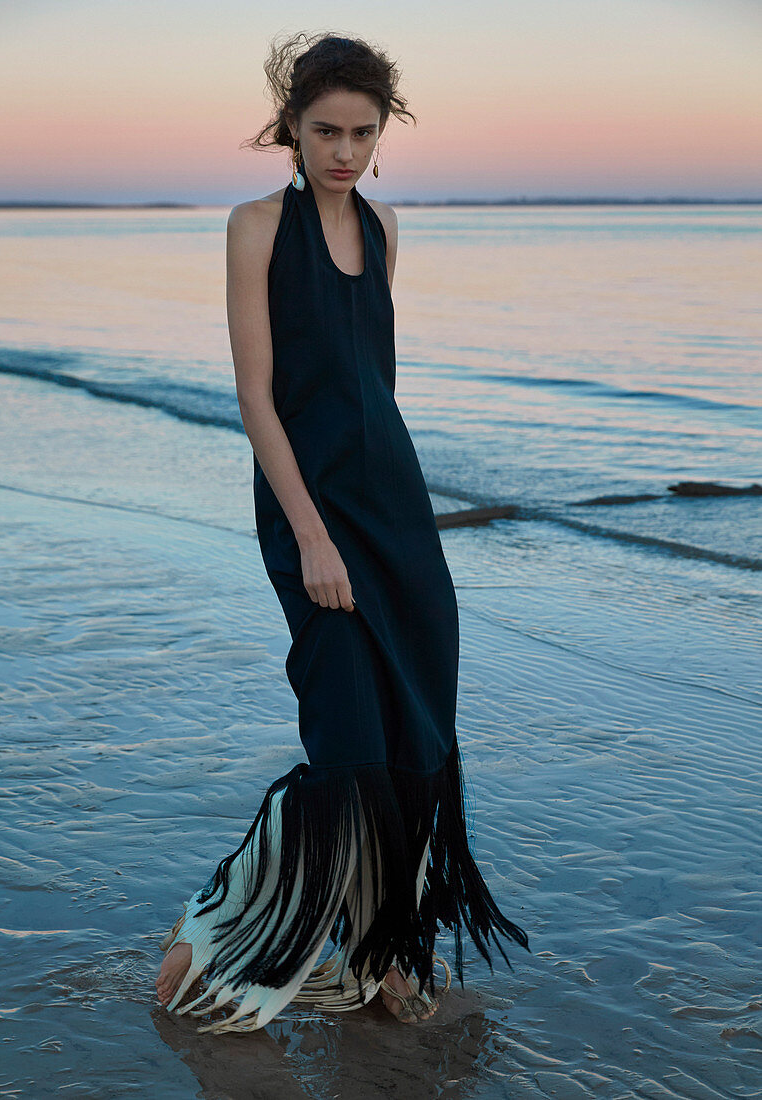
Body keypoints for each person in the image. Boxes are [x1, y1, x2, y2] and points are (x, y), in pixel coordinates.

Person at [155, 30, 530, 1033]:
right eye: (325, 129)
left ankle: (386, 954)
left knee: (413, 741)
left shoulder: (389, 226)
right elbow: (258, 400)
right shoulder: (251, 229)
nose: (343, 149)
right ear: (291, 125)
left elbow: (376, 388)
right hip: (305, 514)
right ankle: (220, 921)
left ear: (383, 132)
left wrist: (382, 520)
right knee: (345, 745)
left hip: (396, 518)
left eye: (363, 131)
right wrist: (312, 537)